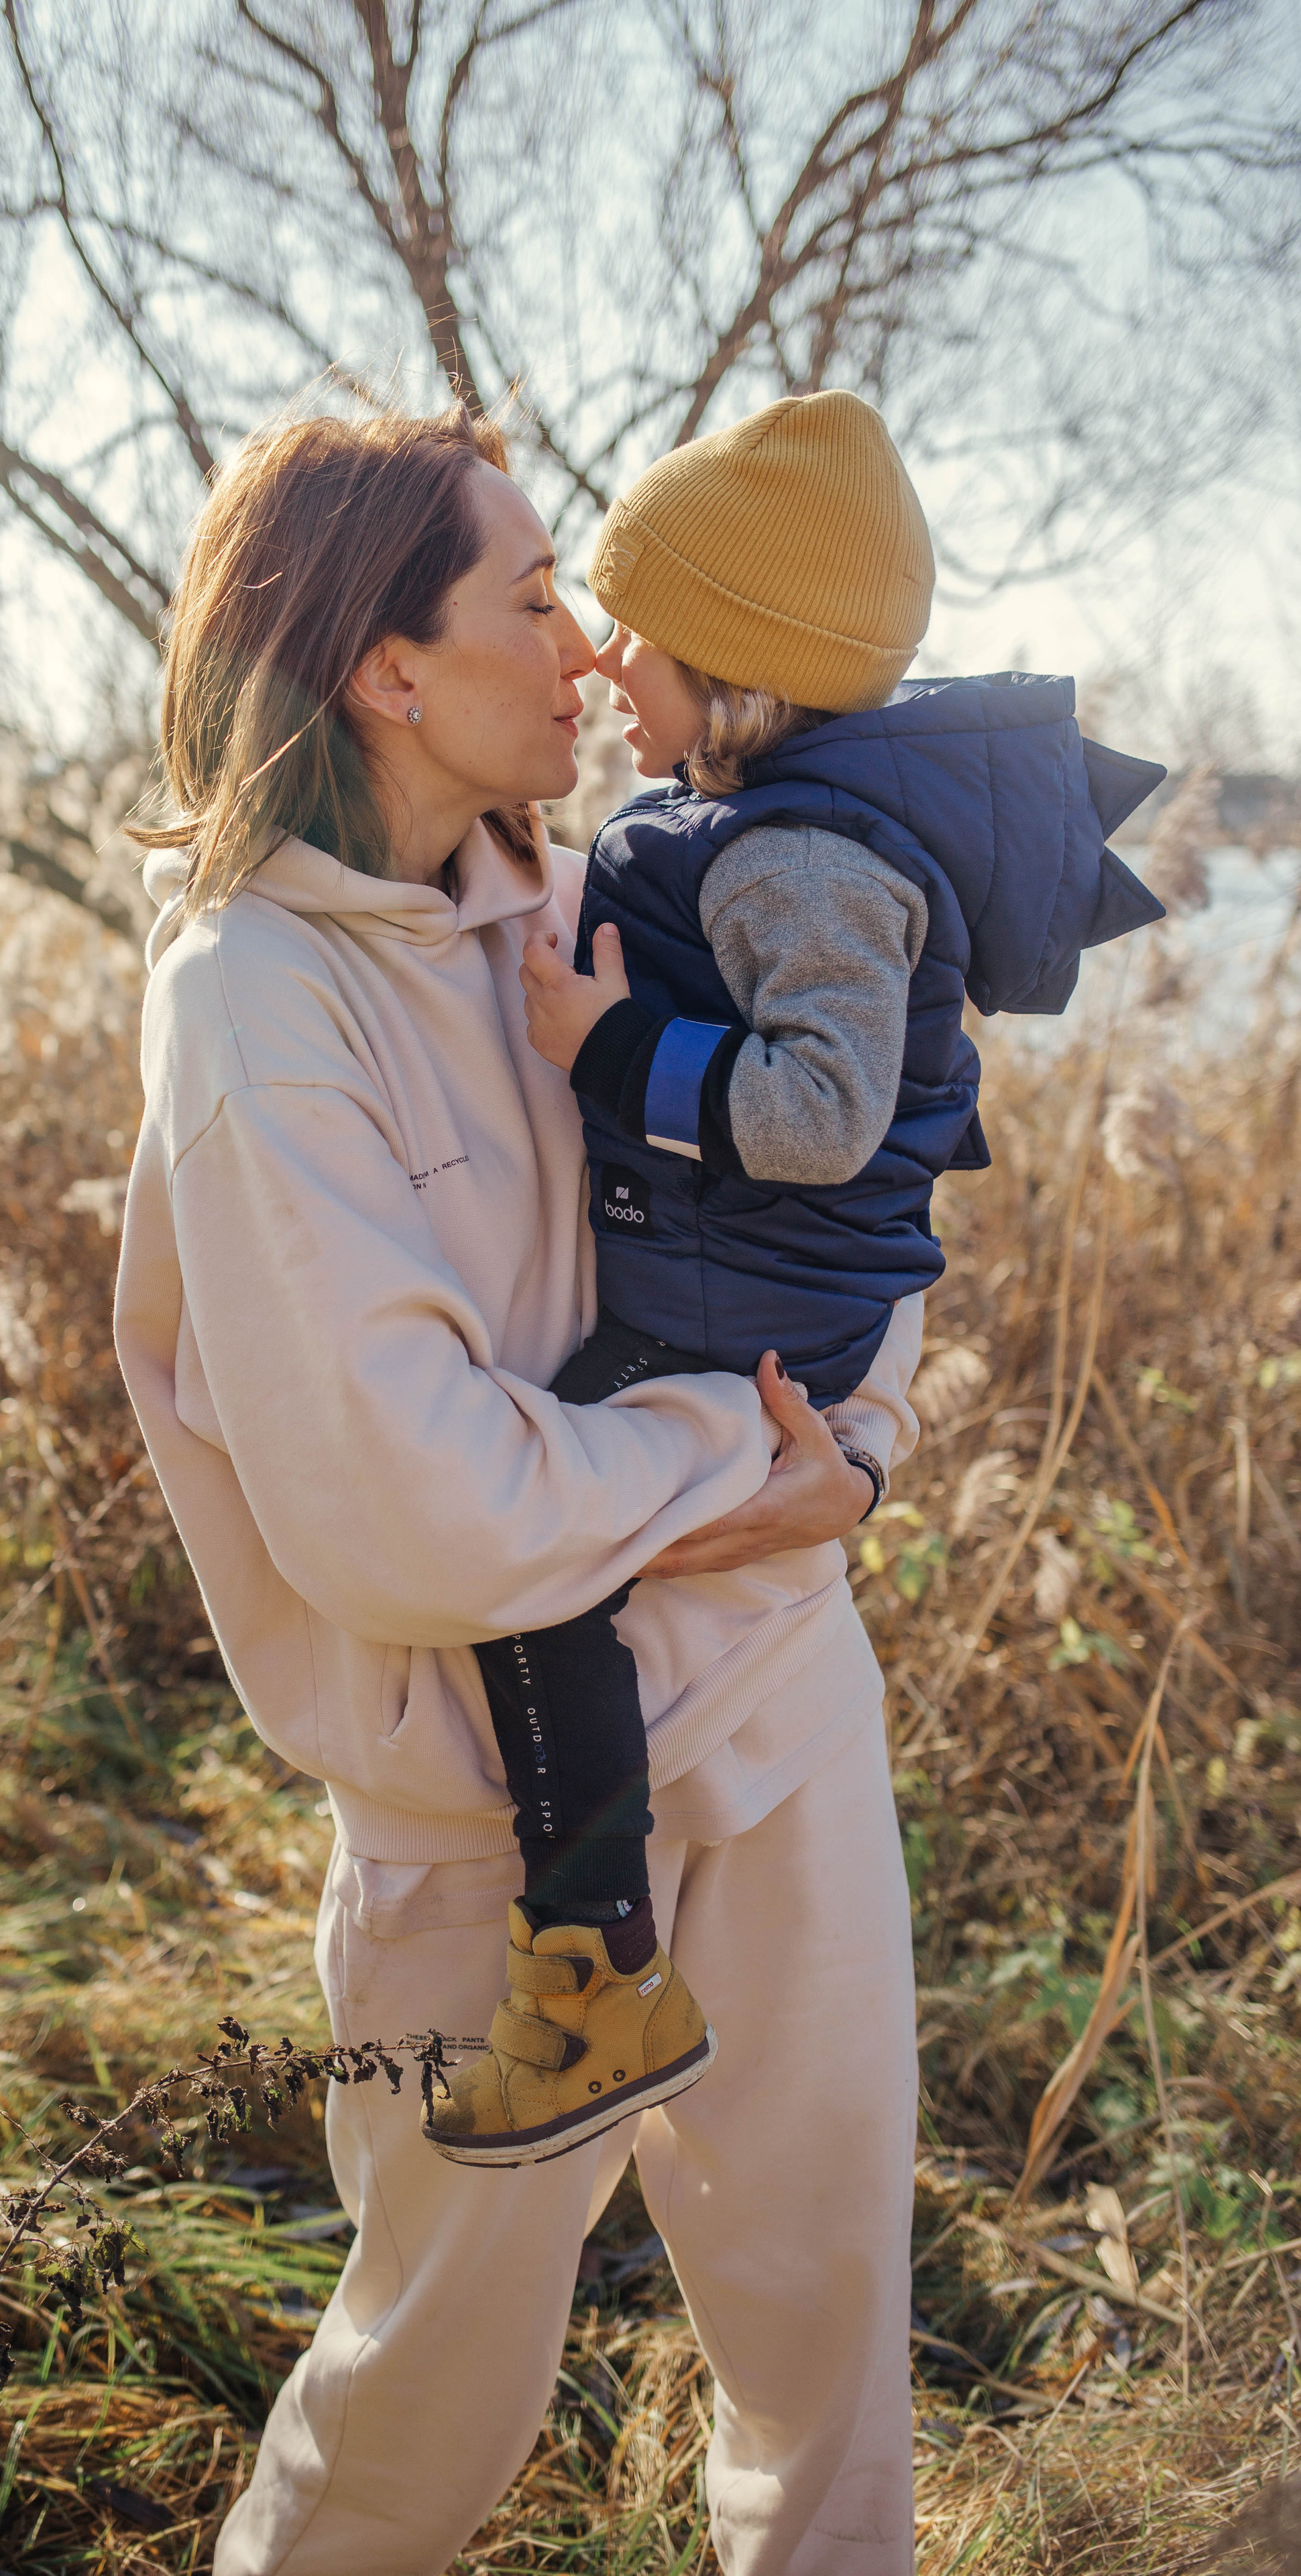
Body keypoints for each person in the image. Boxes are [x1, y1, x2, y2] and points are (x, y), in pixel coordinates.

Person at [117, 398, 922, 2576]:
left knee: (837, 2357)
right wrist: (722, 1455)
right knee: (422, 2410)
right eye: (536, 594)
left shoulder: (618, 893)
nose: (588, 651)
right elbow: (418, 1510)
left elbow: (856, 1210)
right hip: (490, 1826)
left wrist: (853, 1455)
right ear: (387, 666)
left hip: (777, 1716)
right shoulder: (256, 1007)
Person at [439, 391, 1167, 2168]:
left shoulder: (803, 856)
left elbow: (824, 1116)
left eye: (645, 640)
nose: (609, 664)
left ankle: (593, 1975)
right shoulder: (767, 820)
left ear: (737, 673)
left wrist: (611, 1048)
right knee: (533, 1538)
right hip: (756, 1277)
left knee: (522, 1557)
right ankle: (602, 1958)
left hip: (750, 1298)